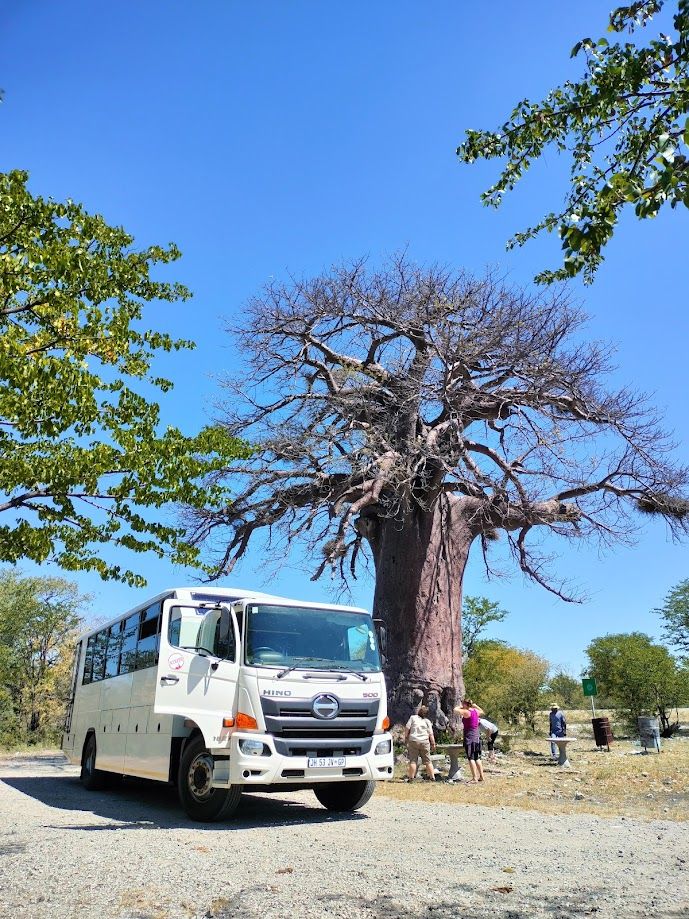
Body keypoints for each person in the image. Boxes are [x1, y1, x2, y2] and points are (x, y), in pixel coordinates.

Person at [454, 698, 484, 783]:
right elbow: (482, 711)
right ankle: (481, 776)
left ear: (465, 704)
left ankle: (474, 778)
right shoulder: (475, 711)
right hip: (477, 736)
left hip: (469, 737)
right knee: (477, 757)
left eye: (463, 704)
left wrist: (461, 706)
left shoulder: (466, 712)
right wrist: (475, 705)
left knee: (471, 758)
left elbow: (455, 710)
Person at [404, 705, 437, 782]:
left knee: (413, 760)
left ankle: (411, 778)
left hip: (413, 741)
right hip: (425, 742)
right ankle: (432, 777)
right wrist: (433, 744)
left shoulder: (413, 718)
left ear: (419, 711)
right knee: (428, 761)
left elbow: (407, 728)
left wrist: (406, 737)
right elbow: (431, 734)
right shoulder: (427, 721)